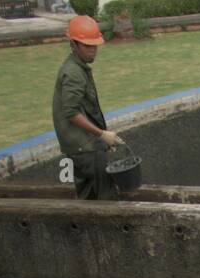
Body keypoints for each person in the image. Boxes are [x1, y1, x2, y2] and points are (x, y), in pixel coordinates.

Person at [52, 15, 124, 200]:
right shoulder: (74, 73)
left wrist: (102, 140)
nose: (93, 51)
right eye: (87, 46)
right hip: (84, 149)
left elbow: (85, 111)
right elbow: (71, 112)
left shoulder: (77, 68)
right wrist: (101, 135)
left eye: (95, 46)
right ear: (73, 45)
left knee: (89, 198)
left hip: (84, 147)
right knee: (105, 198)